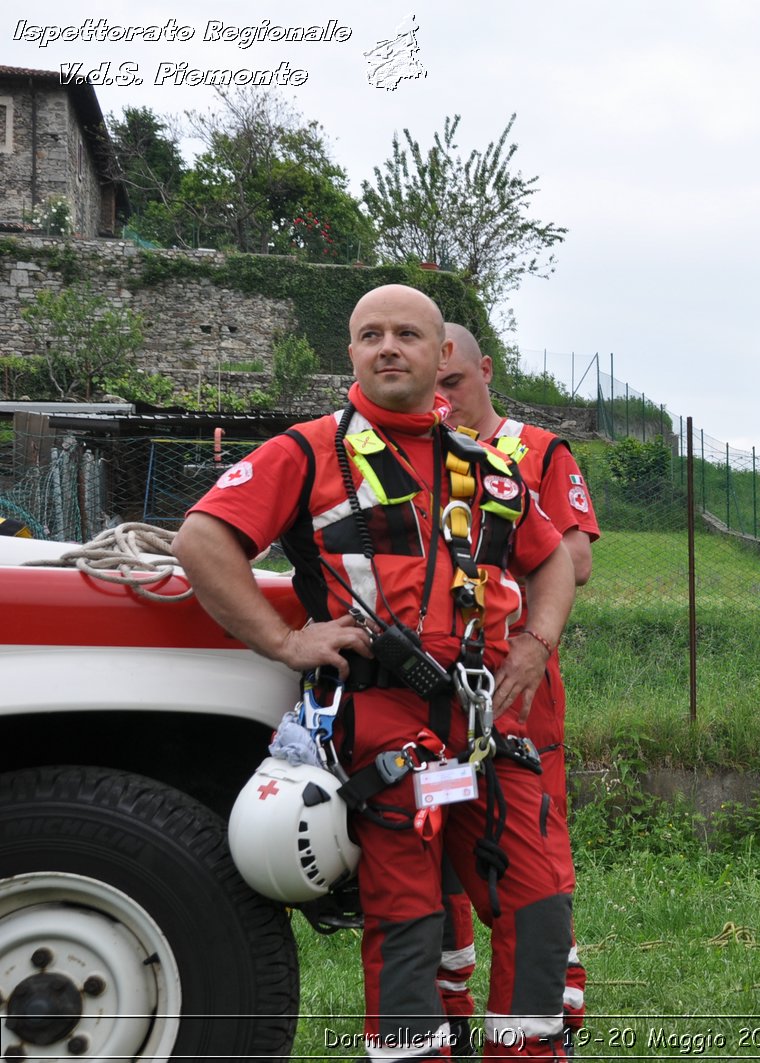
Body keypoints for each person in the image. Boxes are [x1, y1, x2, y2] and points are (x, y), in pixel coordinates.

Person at [175, 284, 577, 1060]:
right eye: (369, 335)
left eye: (406, 334)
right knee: (408, 917)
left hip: (490, 733)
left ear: (442, 355)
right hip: (385, 732)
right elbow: (202, 540)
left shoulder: (487, 467)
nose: (387, 346)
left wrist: (537, 640)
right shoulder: (307, 450)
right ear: (352, 353)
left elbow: (553, 556)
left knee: (542, 902)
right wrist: (286, 642)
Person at [432, 323, 601, 1057]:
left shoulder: (535, 451)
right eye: (433, 389)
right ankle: (448, 1008)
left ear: (485, 371)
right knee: (433, 846)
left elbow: (574, 558)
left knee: (534, 851)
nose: (443, 401)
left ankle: (553, 1009)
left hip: (520, 682)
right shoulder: (404, 452)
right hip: (433, 687)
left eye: (454, 384)